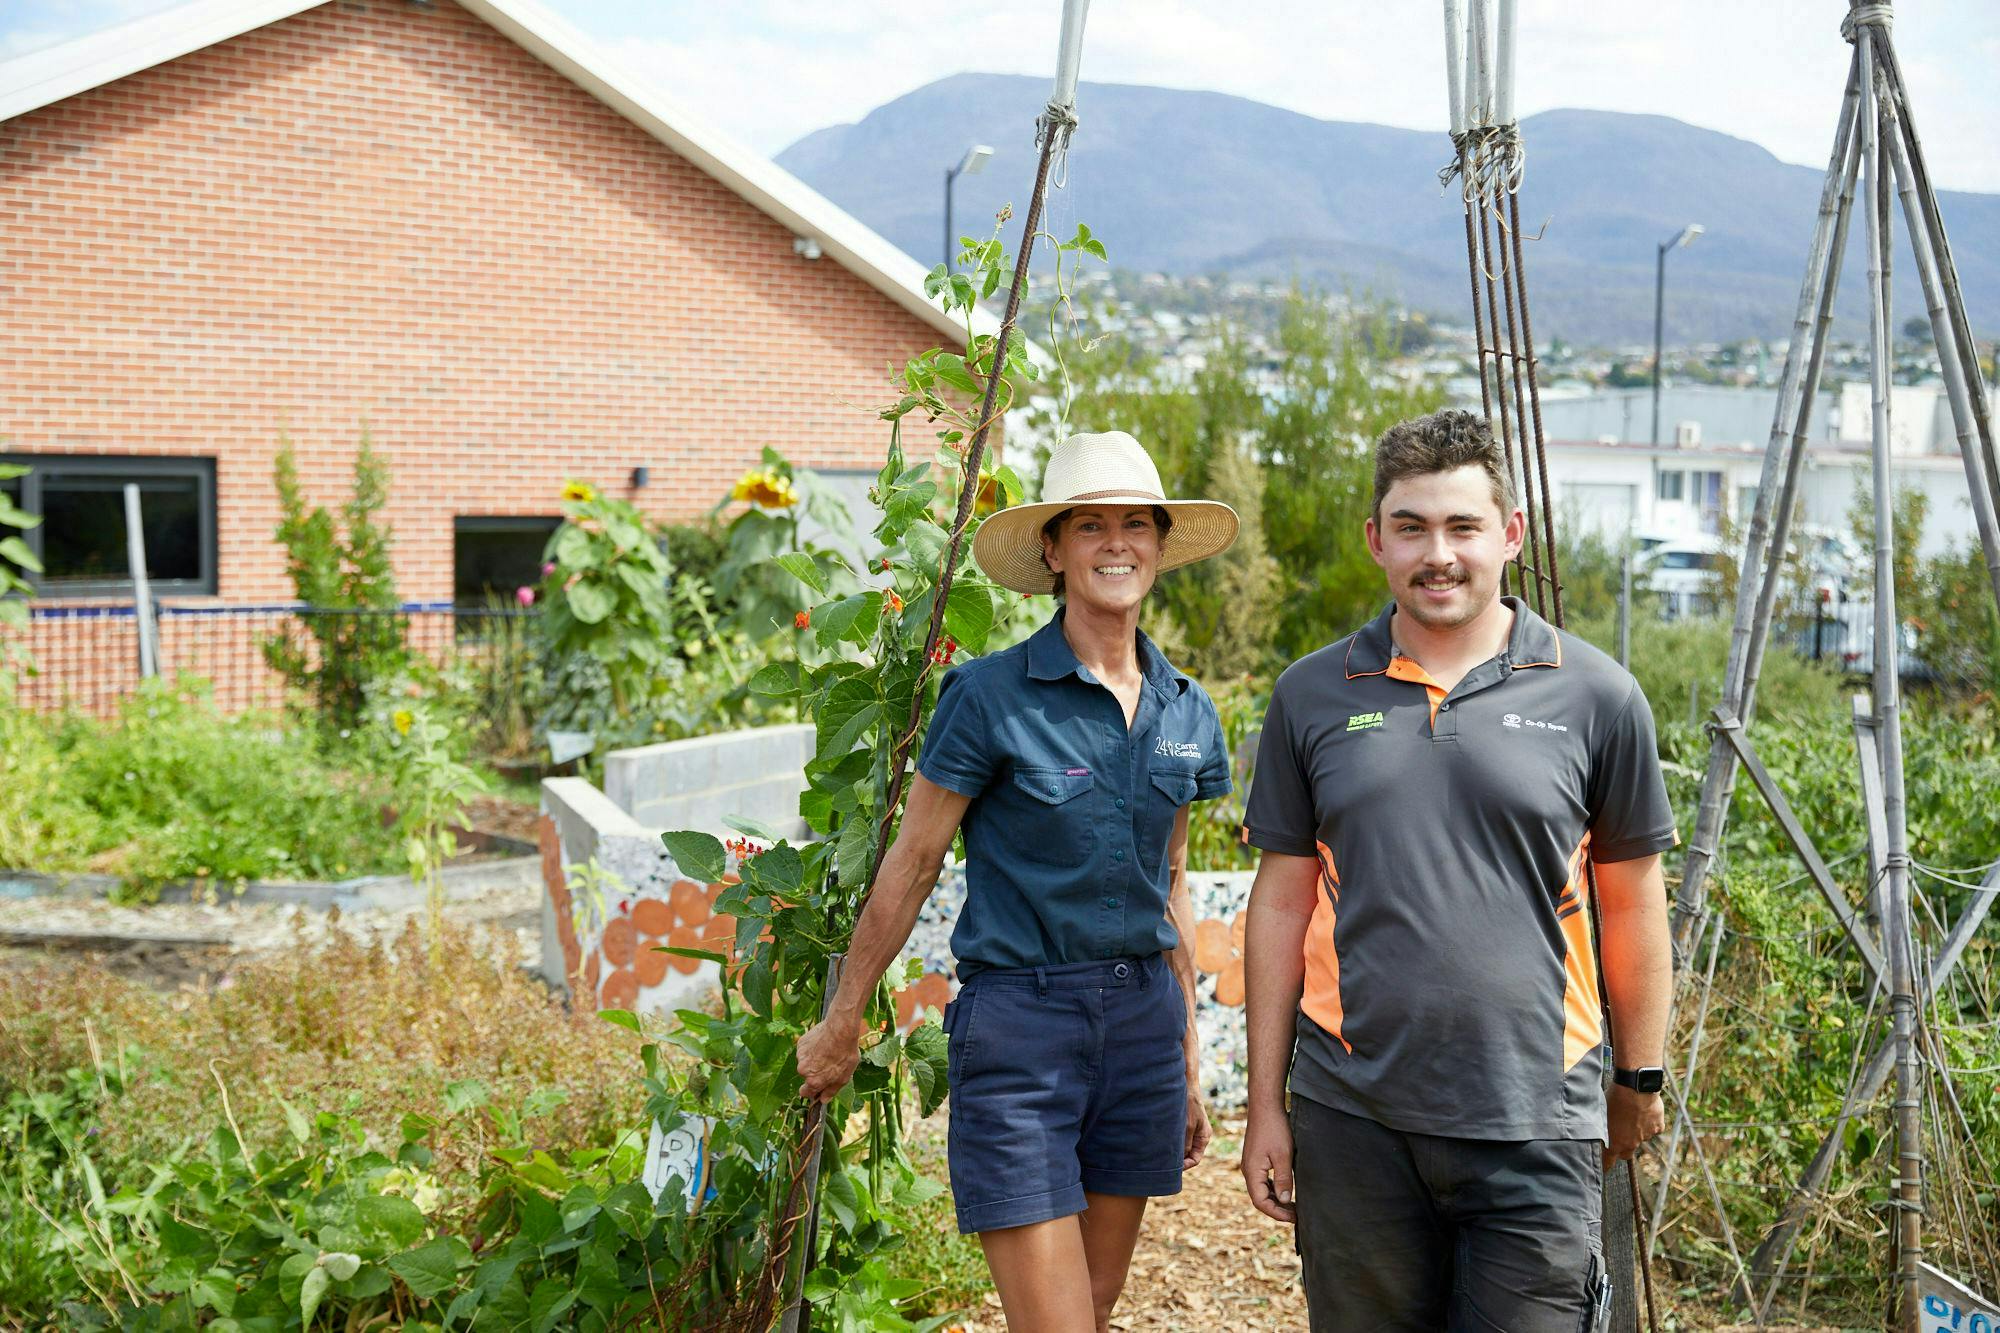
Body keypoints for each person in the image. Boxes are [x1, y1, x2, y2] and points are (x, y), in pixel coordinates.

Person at [1236, 409, 1676, 1331]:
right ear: (1376, 540)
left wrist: (1638, 1079)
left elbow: (1633, 903)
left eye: (1463, 526)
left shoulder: (1596, 694)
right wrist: (1264, 1106)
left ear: (1509, 535)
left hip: (1537, 1119)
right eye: (1412, 527)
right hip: (1353, 1117)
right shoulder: (1310, 694)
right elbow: (1278, 905)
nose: (1439, 553)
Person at [794, 430, 1240, 1332]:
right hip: (1023, 1027)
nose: (1116, 544)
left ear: (1158, 543)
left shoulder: (1190, 709)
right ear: (1052, 550)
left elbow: (1176, 880)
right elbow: (913, 861)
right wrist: (844, 1014)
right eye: (1089, 526)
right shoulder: (989, 696)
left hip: (1144, 1029)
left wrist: (1188, 1057)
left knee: (1097, 1302)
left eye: (1134, 525)